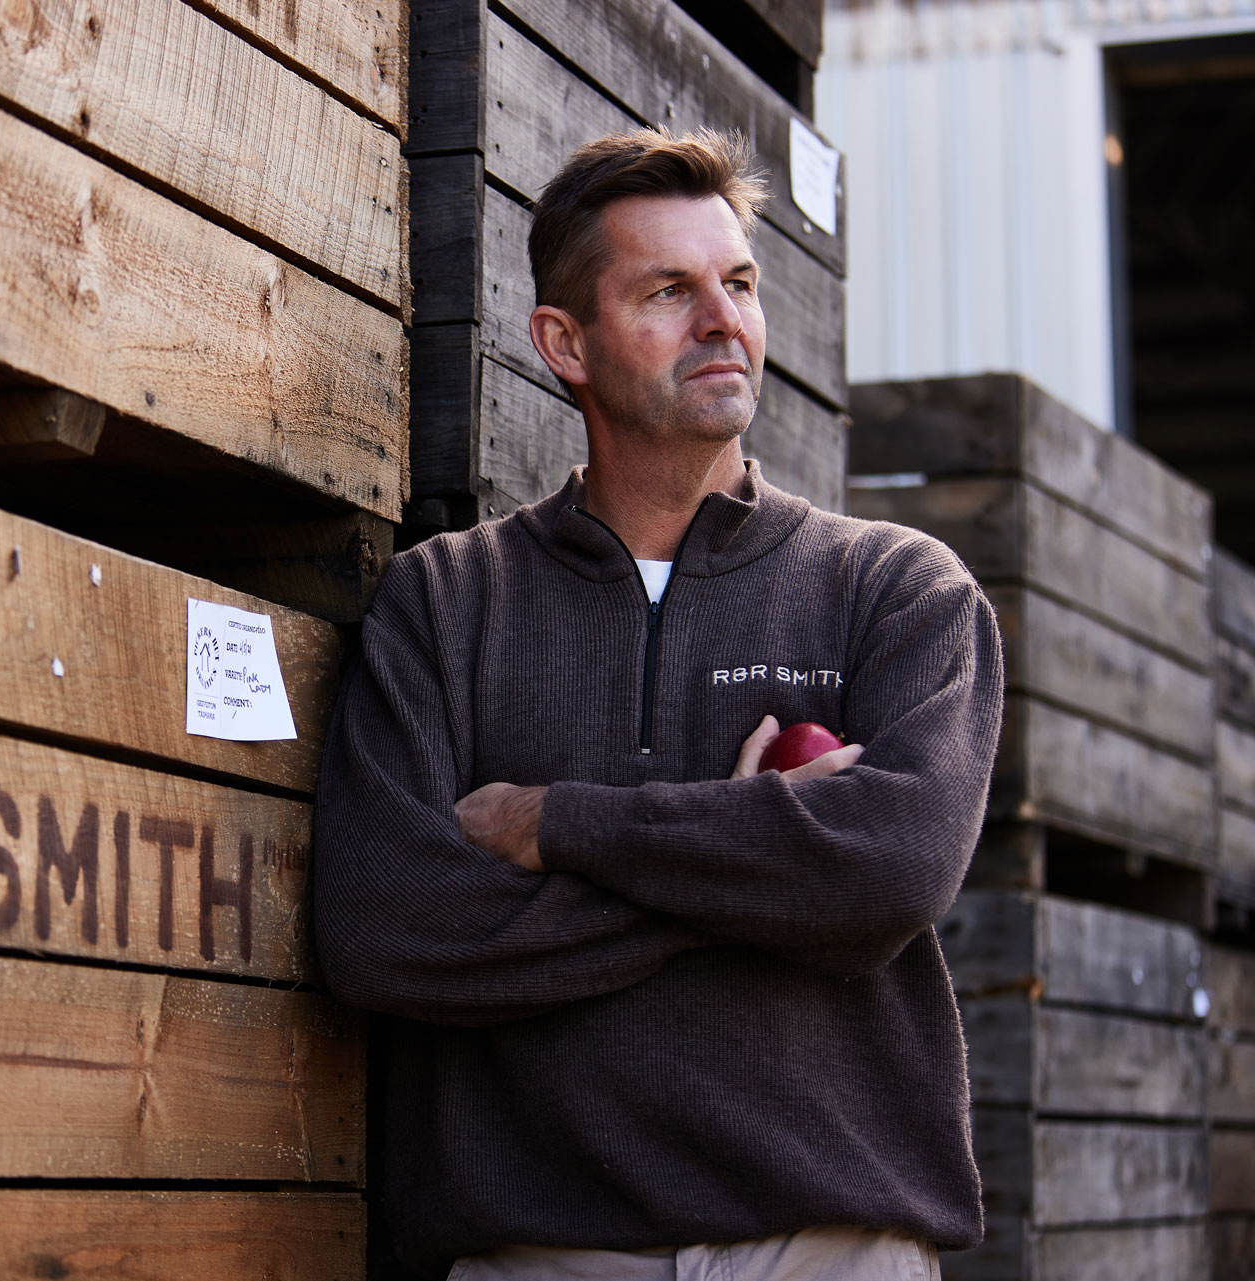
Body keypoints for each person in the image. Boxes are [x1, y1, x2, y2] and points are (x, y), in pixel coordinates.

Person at [312, 128, 1002, 1280]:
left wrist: (556, 824)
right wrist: (758, 859)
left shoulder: (895, 589)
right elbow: (386, 932)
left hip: (829, 1254)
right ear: (564, 342)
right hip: (544, 1258)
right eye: (669, 291)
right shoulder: (447, 602)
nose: (724, 320)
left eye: (739, 283)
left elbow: (891, 870)